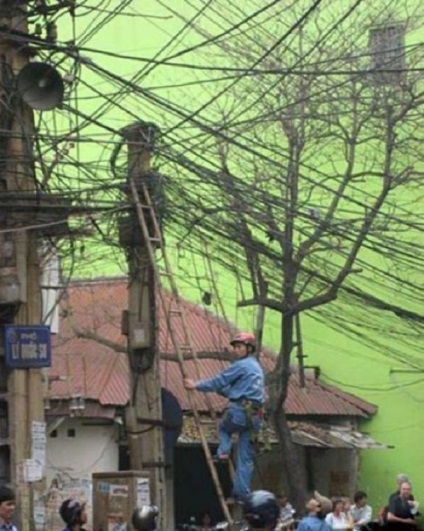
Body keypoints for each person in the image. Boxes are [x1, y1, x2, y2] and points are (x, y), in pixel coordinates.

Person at [184, 332, 265, 501]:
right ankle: (242, 493)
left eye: (239, 347)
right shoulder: (256, 367)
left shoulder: (240, 366)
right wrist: (220, 390)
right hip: (256, 416)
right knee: (245, 457)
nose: (236, 350)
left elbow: (219, 381)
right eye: (235, 347)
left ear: (249, 348)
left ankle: (223, 452)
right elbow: (232, 389)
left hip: (240, 412)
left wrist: (196, 385)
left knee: (223, 428)